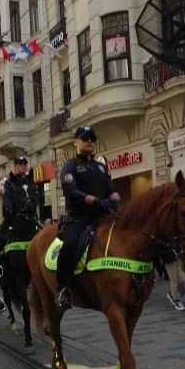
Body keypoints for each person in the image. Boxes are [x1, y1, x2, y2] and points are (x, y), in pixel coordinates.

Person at [56, 125, 121, 308]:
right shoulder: (70, 166)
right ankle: (63, 288)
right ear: (75, 142)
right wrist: (95, 200)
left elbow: (111, 190)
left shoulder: (101, 166)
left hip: (102, 217)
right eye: (85, 138)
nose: (90, 142)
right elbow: (71, 191)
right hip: (79, 218)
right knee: (69, 245)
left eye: (92, 139)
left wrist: (119, 204)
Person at [0, 156, 35, 263]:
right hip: (13, 216)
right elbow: (6, 198)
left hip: (29, 216)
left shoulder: (29, 181)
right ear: (15, 166)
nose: (23, 166)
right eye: (20, 164)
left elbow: (34, 196)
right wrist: (12, 209)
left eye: (24, 164)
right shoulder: (9, 182)